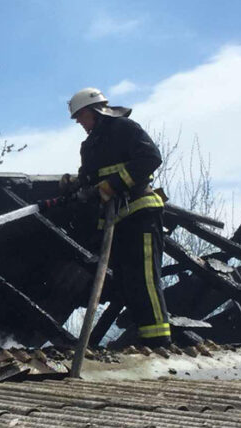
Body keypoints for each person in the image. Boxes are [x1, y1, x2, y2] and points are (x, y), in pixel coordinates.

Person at [63, 87, 171, 348]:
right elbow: (90, 179)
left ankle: (159, 342)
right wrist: (74, 183)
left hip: (141, 212)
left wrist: (114, 184)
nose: (80, 124)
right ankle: (142, 338)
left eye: (80, 118)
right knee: (127, 282)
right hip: (118, 221)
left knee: (145, 278)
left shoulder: (125, 129)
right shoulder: (90, 145)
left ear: (92, 111)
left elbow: (151, 158)